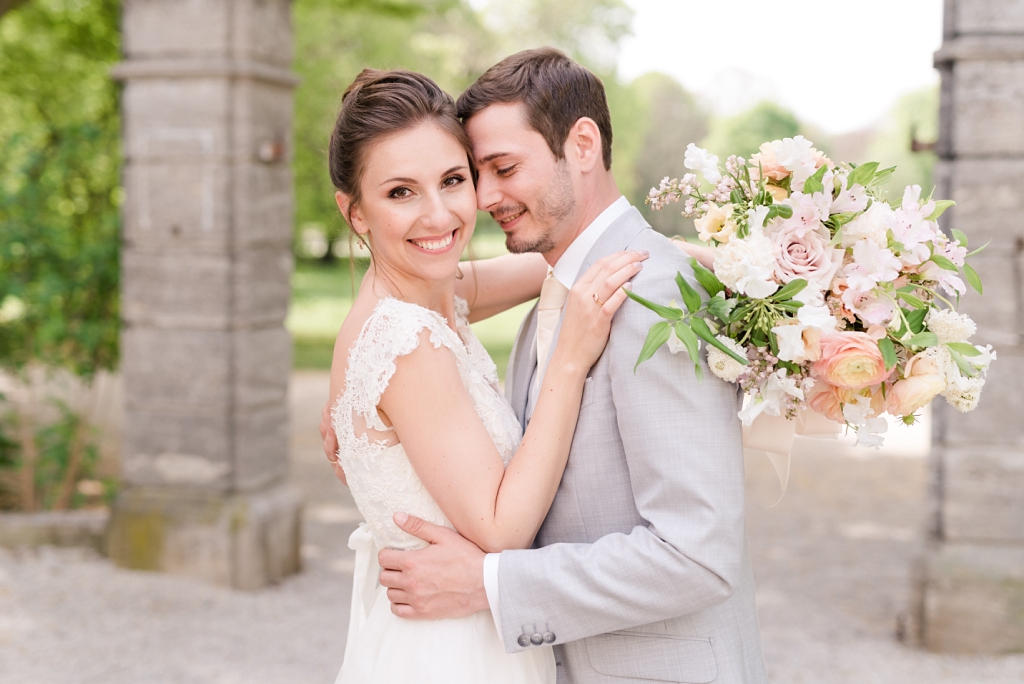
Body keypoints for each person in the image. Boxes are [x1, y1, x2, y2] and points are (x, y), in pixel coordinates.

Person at [323, 48, 769, 684]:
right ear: (356, 211)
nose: (463, 205)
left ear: (581, 144)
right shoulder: (403, 331)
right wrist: (362, 384)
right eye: (401, 192)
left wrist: (749, 271)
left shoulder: (643, 294)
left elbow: (699, 555)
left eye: (468, 176)